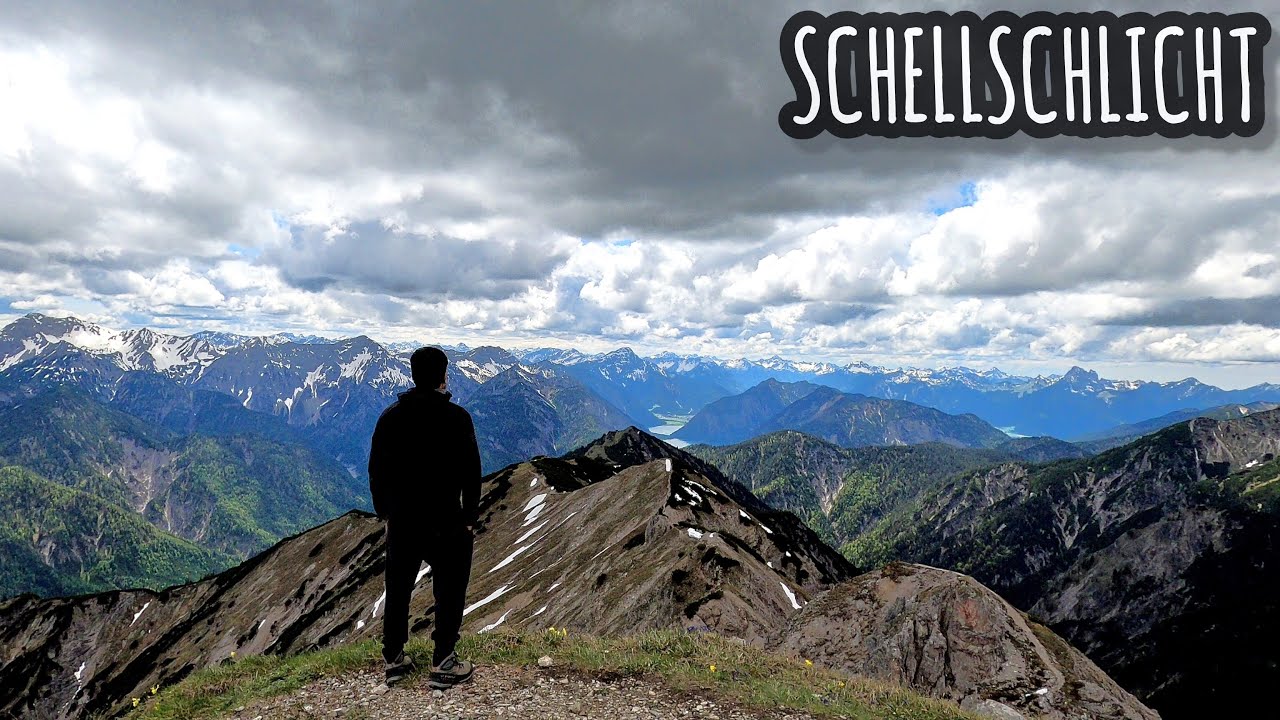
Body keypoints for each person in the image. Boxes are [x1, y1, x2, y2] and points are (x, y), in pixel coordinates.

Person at [368, 346, 482, 689]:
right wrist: (470, 516)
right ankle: (444, 659)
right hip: (446, 519)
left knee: (398, 586)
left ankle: (393, 659)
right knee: (450, 589)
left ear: (413, 374)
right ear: (443, 376)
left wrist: (384, 509)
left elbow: (376, 468)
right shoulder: (458, 418)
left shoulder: (390, 417)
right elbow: (471, 471)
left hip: (403, 519)